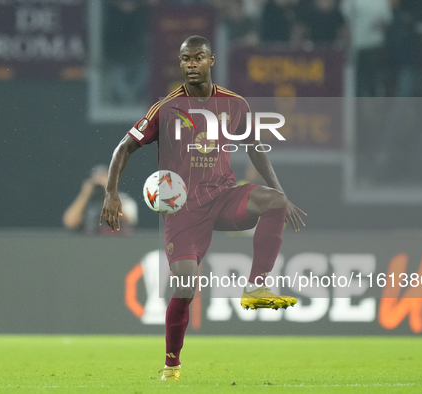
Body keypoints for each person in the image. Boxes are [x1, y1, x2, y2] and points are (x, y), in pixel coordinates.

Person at [100, 36, 306, 381]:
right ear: (180, 64)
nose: (191, 64)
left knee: (275, 202)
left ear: (211, 60)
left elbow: (255, 146)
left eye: (198, 58)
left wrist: (280, 191)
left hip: (223, 197)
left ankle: (256, 287)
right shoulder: (166, 108)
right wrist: (110, 192)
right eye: (185, 59)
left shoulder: (234, 104)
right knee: (184, 288)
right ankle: (172, 364)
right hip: (183, 210)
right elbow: (124, 147)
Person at [64, 165, 137, 234]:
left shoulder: (124, 199)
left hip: (114, 241)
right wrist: (85, 194)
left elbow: (128, 221)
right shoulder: (85, 202)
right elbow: (70, 223)